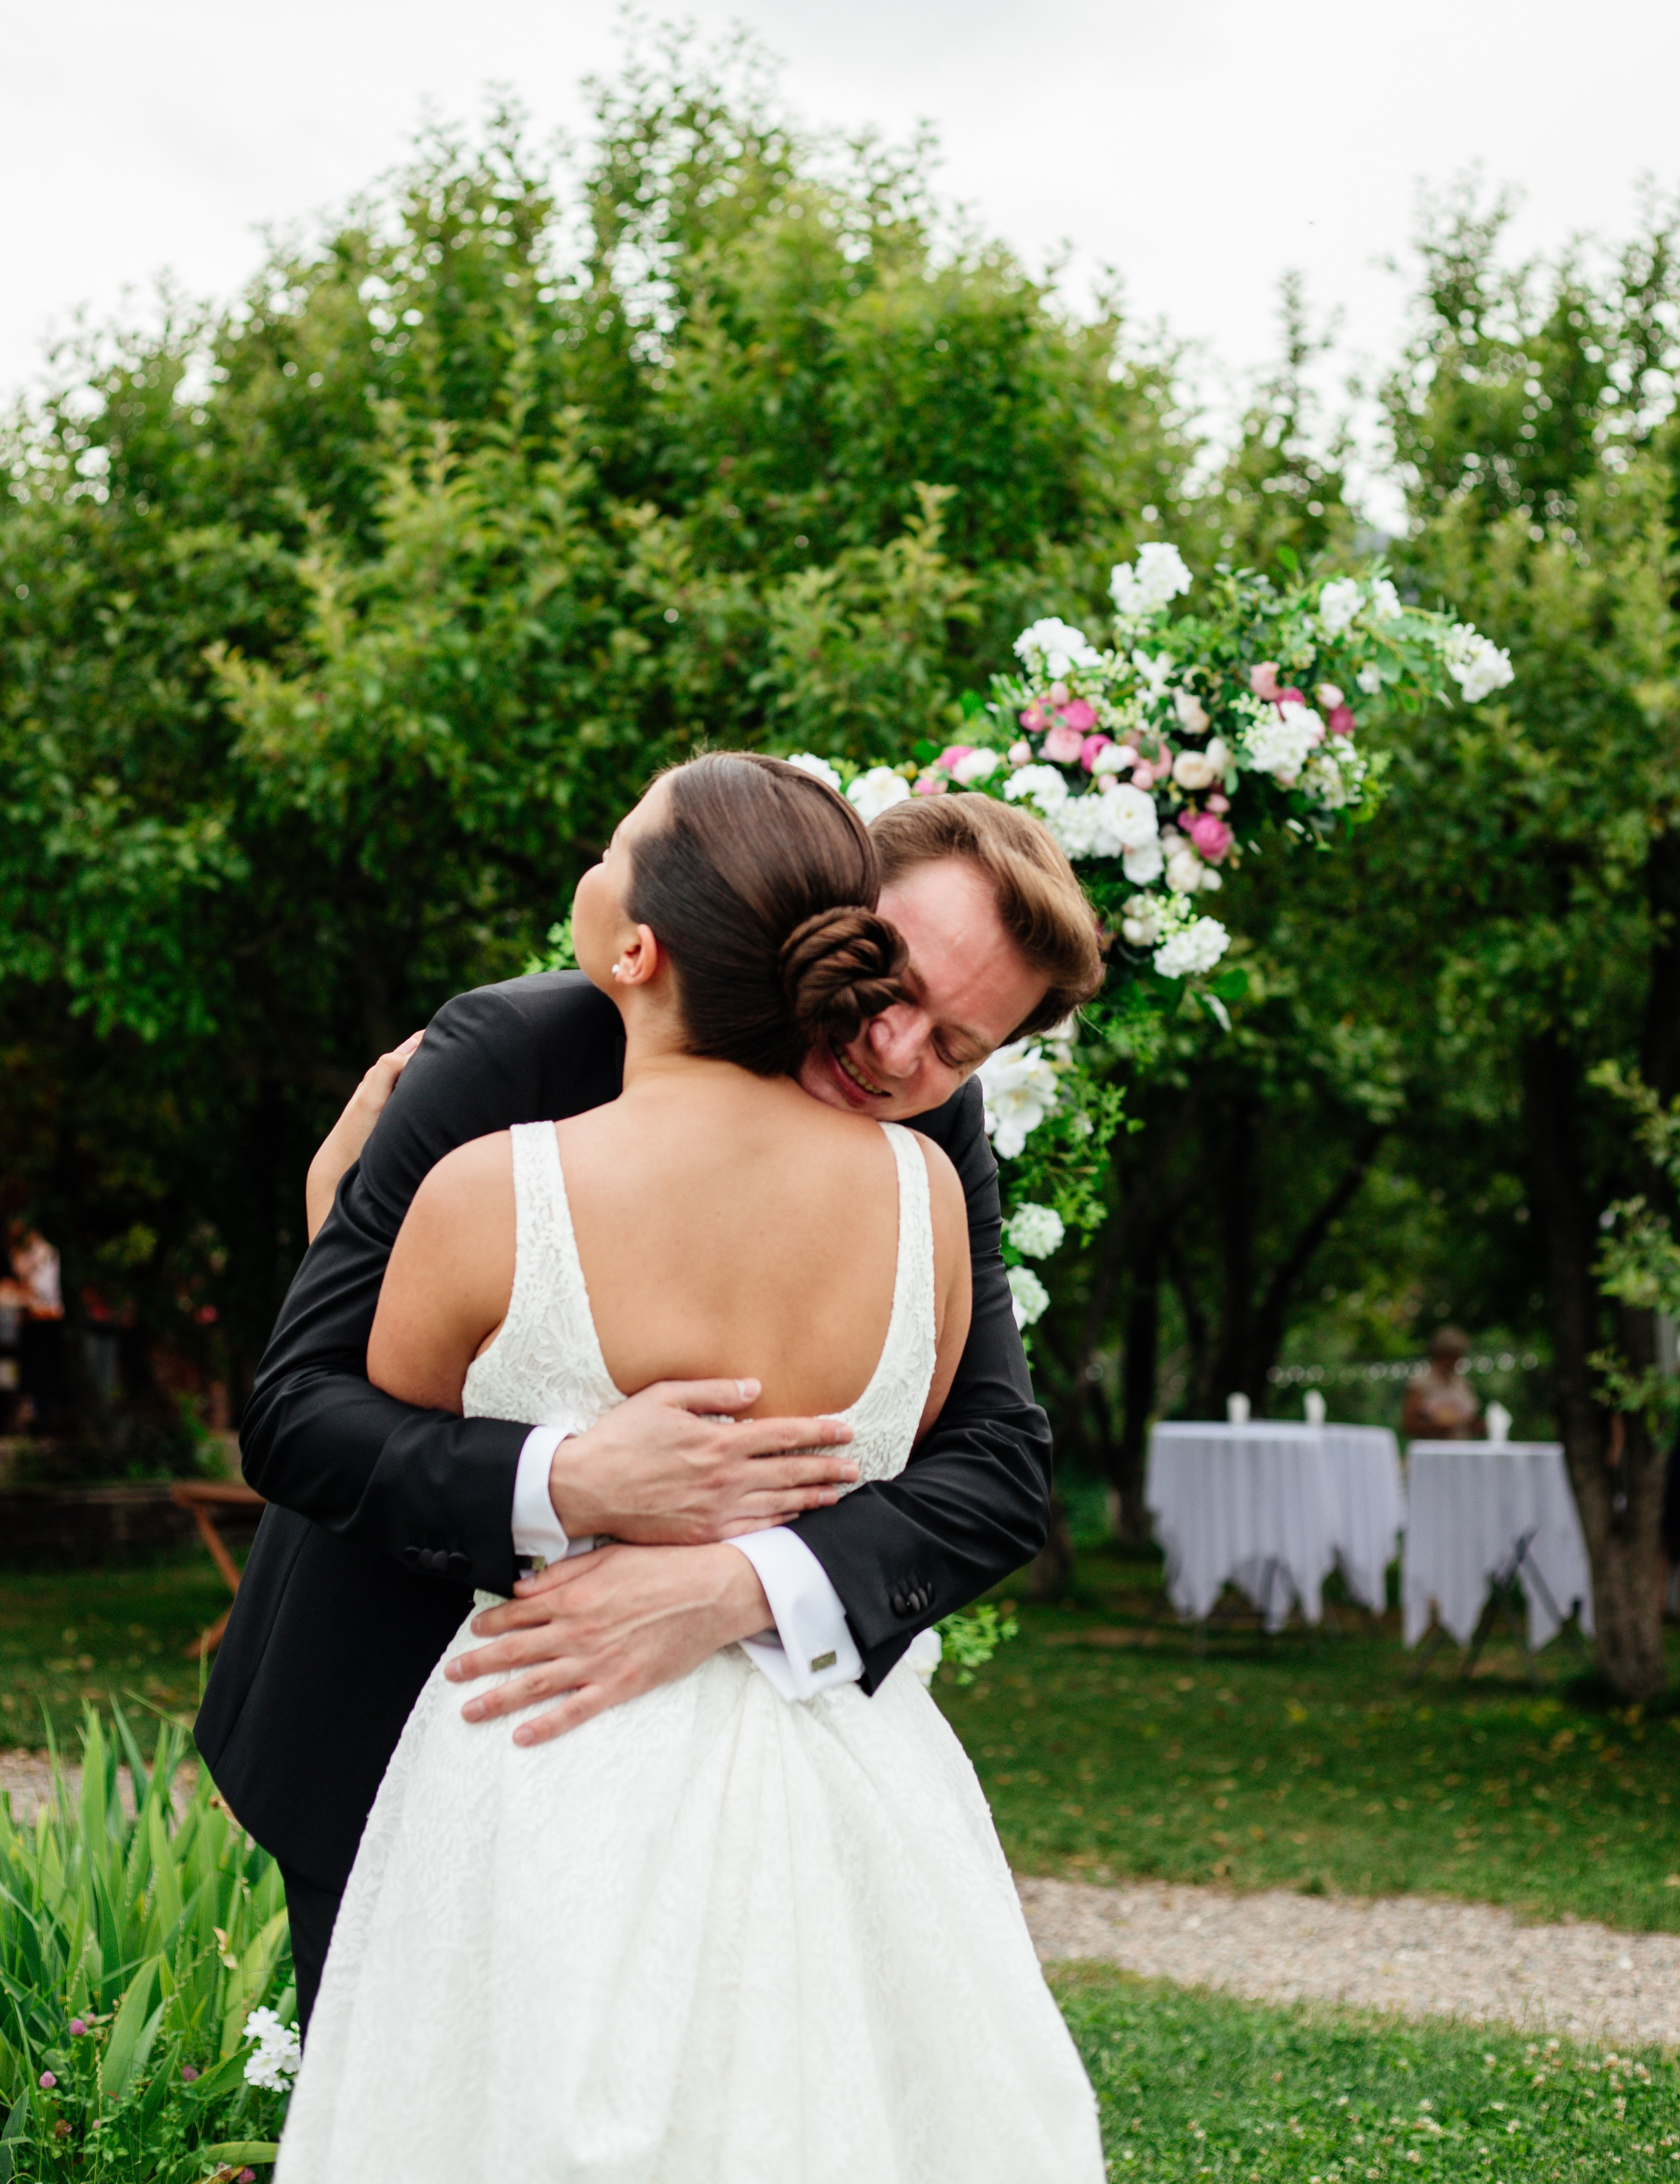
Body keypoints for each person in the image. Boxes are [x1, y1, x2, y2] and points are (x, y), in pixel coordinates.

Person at [273, 754, 1104, 2181]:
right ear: (818, 912)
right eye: (886, 978)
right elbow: (304, 1404)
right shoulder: (510, 1059)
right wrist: (562, 1478)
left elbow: (994, 1466)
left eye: (958, 1045)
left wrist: (741, 1580)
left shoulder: (918, 1141)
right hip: (430, 1691)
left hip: (772, 1735)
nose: (900, 1053)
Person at [1401, 1327, 1486, 1442]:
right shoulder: (1421, 1382)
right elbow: (1408, 1424)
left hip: (1461, 1447)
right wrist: (1437, 1427)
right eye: (1452, 1356)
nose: (1456, 1361)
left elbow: (1472, 1419)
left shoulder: (1462, 1382)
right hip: (1432, 1449)